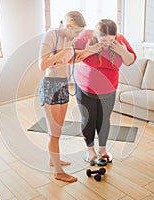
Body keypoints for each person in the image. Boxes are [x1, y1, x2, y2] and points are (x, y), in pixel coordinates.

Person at [74, 19, 137, 165]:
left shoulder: (120, 40)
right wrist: (90, 50)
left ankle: (102, 150)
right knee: (88, 119)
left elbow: (129, 61)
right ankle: (90, 150)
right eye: (104, 39)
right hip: (85, 87)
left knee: (103, 120)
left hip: (108, 89)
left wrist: (122, 51)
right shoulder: (86, 37)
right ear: (97, 34)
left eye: (110, 39)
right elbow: (70, 55)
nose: (107, 43)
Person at [38, 11, 86, 182]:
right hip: (50, 86)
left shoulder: (69, 39)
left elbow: (67, 61)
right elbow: (42, 64)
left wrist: (83, 54)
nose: (78, 36)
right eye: (76, 32)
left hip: (64, 85)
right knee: (55, 133)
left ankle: (54, 160)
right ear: (68, 26)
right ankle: (58, 172)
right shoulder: (51, 35)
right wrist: (63, 51)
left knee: (58, 129)